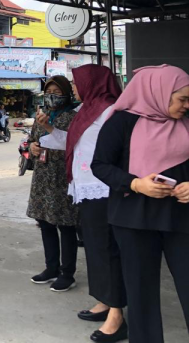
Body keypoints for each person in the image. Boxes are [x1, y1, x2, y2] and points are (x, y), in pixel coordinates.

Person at [91, 65, 189, 343]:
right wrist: (135, 184)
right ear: (159, 92)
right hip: (133, 218)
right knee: (141, 292)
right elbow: (100, 165)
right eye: (181, 98)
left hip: (181, 216)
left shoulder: (186, 121)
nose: (186, 105)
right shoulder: (122, 122)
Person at [38, 65, 127, 342]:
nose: (74, 89)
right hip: (85, 188)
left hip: (103, 189)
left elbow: (118, 149)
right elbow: (73, 143)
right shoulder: (87, 110)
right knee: (96, 249)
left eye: (77, 84)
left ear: (93, 83)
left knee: (108, 250)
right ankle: (104, 300)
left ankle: (117, 315)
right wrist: (47, 131)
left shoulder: (111, 110)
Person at [28, 75, 80, 292]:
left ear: (67, 93)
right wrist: (32, 148)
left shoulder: (75, 116)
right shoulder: (41, 115)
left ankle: (67, 273)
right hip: (43, 177)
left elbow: (76, 144)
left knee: (65, 225)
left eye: (57, 93)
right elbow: (31, 139)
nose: (52, 96)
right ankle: (51, 268)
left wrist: (49, 127)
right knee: (45, 223)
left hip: (62, 177)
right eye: (49, 92)